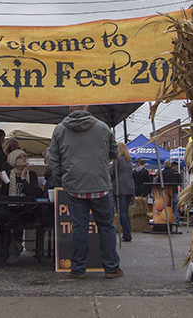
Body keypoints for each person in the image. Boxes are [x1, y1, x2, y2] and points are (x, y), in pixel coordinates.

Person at [49, 105, 123, 279]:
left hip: (74, 186)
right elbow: (114, 152)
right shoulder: (103, 127)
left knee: (79, 228)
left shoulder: (60, 129)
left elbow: (54, 158)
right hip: (100, 185)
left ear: (70, 108)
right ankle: (111, 268)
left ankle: (78, 268)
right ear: (87, 107)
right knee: (106, 226)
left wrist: (62, 181)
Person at [0, 149, 42, 265]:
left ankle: (15, 250)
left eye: (25, 156)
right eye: (20, 157)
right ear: (14, 160)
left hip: (28, 209)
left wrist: (24, 180)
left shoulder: (31, 175)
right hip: (11, 208)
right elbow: (2, 196)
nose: (24, 158)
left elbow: (36, 193)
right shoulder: (7, 175)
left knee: (17, 220)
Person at [110, 142, 135, 242]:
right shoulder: (129, 161)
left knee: (121, 212)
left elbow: (112, 174)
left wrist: (110, 166)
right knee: (125, 212)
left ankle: (127, 234)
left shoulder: (117, 160)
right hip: (129, 188)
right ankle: (127, 232)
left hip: (120, 188)